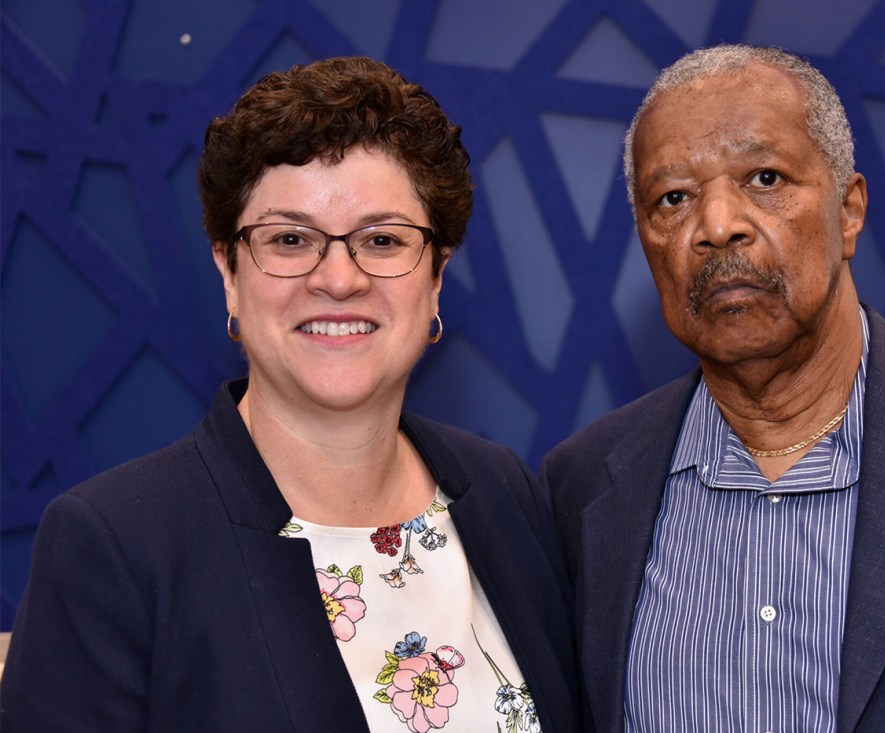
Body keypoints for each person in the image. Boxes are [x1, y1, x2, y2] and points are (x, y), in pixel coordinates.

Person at [1, 56, 581, 732]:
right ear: (230, 271)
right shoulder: (114, 546)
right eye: (290, 239)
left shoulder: (504, 491)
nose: (338, 278)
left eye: (383, 239)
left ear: (436, 276)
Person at [540, 44, 885, 733]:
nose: (717, 226)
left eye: (765, 177)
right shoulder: (583, 489)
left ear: (850, 211)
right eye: (673, 197)